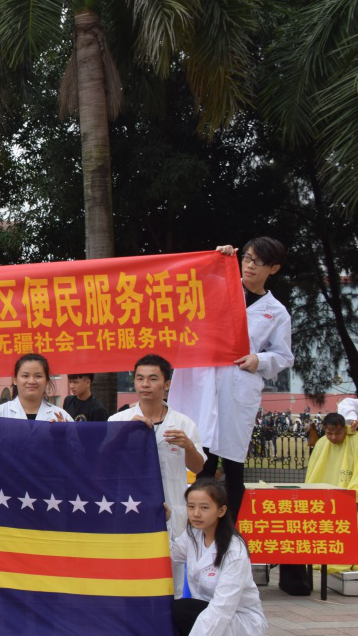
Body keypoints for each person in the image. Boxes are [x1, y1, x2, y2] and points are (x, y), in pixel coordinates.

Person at [169, 238, 294, 523]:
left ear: (274, 268)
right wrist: (215, 260)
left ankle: (228, 532)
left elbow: (283, 356)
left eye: (258, 262)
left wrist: (259, 360)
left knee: (234, 466)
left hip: (238, 389)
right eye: (247, 258)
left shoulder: (276, 312)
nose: (249, 266)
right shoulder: (218, 287)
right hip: (203, 385)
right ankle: (196, 529)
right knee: (202, 461)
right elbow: (188, 287)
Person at [108, 355, 206, 593]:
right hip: (130, 508)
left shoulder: (183, 423)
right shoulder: (119, 420)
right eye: (140, 378)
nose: (145, 384)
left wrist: (188, 446)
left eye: (153, 379)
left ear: (167, 384)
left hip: (170, 509)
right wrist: (123, 435)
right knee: (129, 575)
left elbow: (197, 467)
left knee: (170, 578)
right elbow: (104, 463)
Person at [170, 478, 266, 636]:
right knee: (171, 607)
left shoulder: (234, 551)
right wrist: (161, 523)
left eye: (204, 508)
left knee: (183, 608)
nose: (196, 513)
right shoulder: (193, 535)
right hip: (208, 612)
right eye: (191, 507)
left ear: (221, 511)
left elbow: (222, 607)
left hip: (238, 619)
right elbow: (168, 557)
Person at [0, 354, 72, 422]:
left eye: (38, 376)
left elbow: (74, 439)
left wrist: (64, 434)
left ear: (46, 380)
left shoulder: (62, 417)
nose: (31, 381)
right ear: (15, 380)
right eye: (25, 376)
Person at [305, 413, 358, 491]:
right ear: (324, 429)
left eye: (338, 433)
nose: (334, 437)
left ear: (345, 429)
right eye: (329, 433)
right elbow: (313, 469)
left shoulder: (355, 440)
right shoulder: (321, 443)